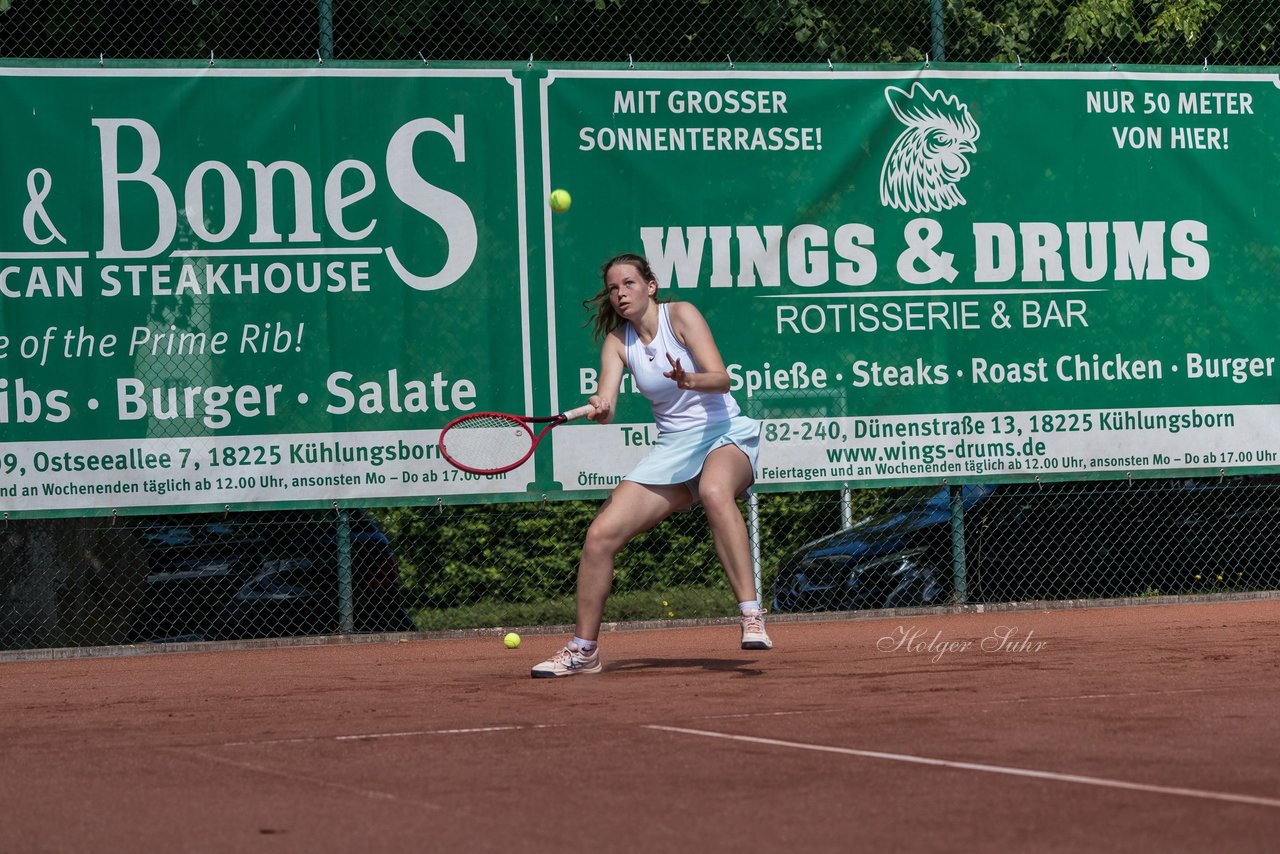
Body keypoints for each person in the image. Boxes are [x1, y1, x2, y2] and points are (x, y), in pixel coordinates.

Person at [532, 252, 770, 678]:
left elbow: (722, 378)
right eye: (613, 288)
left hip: (723, 432)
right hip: (673, 448)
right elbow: (607, 406)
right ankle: (584, 650)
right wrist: (601, 405)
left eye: (628, 284)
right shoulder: (617, 343)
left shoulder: (681, 315)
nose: (620, 293)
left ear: (650, 286)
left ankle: (751, 614)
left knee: (716, 492)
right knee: (600, 535)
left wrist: (689, 379)